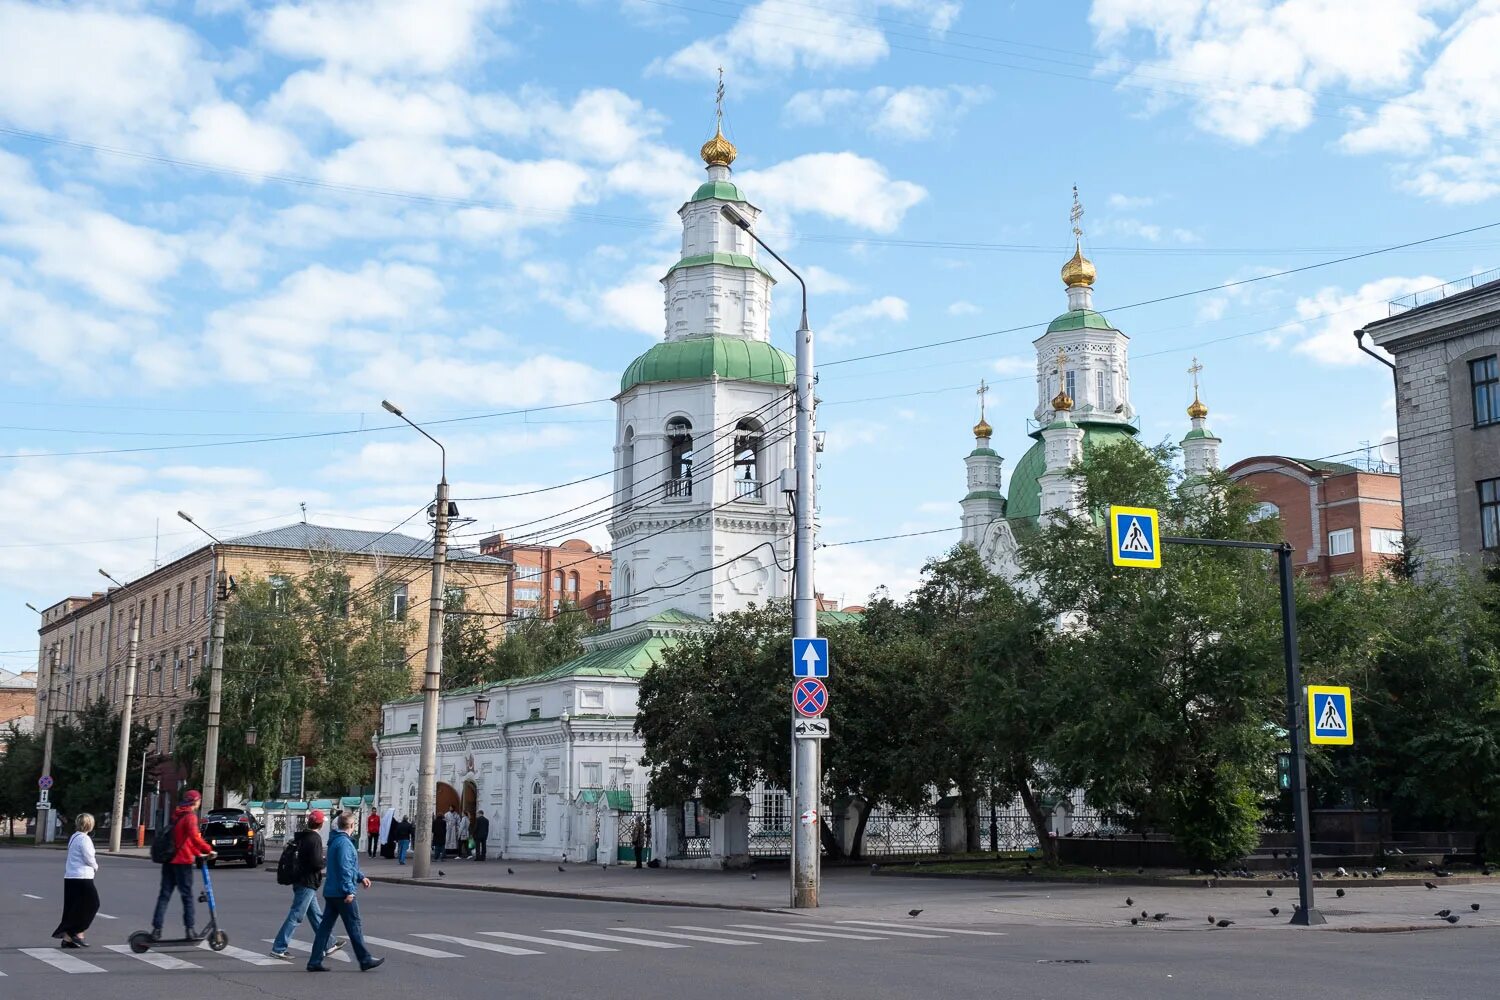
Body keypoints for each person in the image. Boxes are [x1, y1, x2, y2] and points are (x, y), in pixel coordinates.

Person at [306, 812, 383, 973]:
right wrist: (349, 891)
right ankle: (364, 959)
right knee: (354, 925)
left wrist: (361, 877)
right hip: (342, 893)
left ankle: (314, 961)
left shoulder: (335, 841)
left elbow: (347, 866)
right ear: (352, 826)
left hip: (332, 891)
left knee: (324, 928)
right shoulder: (345, 844)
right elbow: (345, 869)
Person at [270, 810, 345, 960]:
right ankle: (279, 947)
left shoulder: (302, 836)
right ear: (321, 823)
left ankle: (329, 943)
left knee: (315, 914)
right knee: (297, 915)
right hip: (307, 881)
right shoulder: (314, 838)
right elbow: (316, 863)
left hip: (300, 880)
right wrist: (325, 860)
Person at [150, 790, 215, 941]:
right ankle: (190, 930)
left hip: (169, 860)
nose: (199, 803)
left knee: (164, 896)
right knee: (187, 897)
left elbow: (182, 841)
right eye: (199, 801)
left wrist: (198, 853)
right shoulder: (190, 817)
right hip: (182, 862)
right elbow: (193, 838)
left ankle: (156, 930)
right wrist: (209, 850)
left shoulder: (177, 814)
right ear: (195, 802)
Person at [52, 812, 99, 948]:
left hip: (71, 876)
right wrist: (96, 866)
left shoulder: (74, 837)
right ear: (89, 824)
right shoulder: (85, 839)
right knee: (93, 904)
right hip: (82, 877)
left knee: (74, 908)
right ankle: (76, 933)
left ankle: (68, 939)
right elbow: (89, 857)